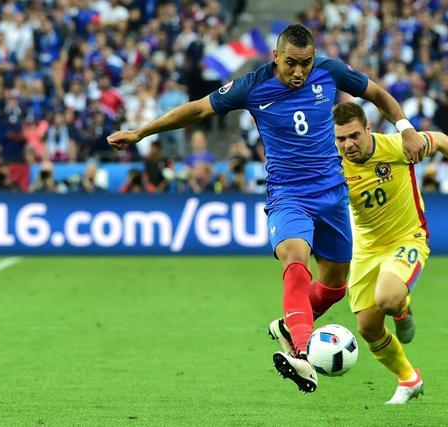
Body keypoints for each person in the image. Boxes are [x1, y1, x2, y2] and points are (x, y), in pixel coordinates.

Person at [107, 24, 425, 393]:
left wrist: (405, 127)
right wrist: (140, 133)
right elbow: (197, 109)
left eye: (305, 63)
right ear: (276, 56)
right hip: (288, 195)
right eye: (291, 63)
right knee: (295, 258)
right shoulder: (252, 86)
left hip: (332, 194)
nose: (299, 71)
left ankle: (290, 326)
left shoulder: (330, 71)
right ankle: (302, 354)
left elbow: (377, 93)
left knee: (335, 285)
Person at [331, 102, 448, 404]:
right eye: (341, 139)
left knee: (388, 299)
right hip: (366, 248)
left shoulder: (396, 146)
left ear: (368, 129)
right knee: (367, 328)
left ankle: (401, 307)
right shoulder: (332, 163)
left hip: (407, 238)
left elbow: (442, 140)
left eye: (354, 136)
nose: (348, 145)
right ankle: (408, 379)